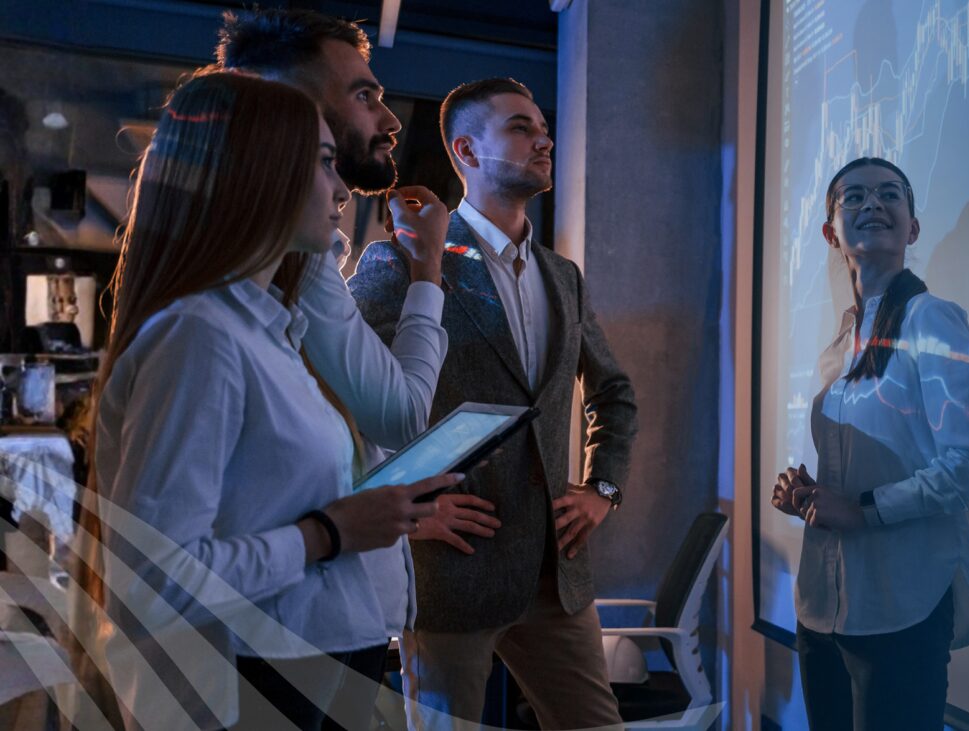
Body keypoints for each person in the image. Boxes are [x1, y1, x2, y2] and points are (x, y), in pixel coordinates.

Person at [75, 73, 454, 731]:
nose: (340, 189)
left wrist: (365, 514)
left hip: (304, 672)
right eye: (324, 162)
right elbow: (154, 581)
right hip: (251, 688)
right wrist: (330, 532)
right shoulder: (201, 335)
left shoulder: (268, 330)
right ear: (256, 168)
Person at [349, 77, 638, 730]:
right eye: (519, 127)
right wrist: (398, 506)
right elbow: (329, 398)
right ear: (467, 152)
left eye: (543, 127)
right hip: (452, 575)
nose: (544, 138)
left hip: (553, 576)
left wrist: (603, 487)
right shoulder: (403, 261)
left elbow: (613, 392)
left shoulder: (563, 276)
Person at [214, 6, 452, 648]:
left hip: (331, 625)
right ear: (293, 108)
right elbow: (400, 417)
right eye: (365, 94)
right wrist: (427, 267)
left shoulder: (291, 269)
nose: (392, 119)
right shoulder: (260, 287)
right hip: (290, 639)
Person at [770, 157, 969, 730]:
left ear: (913, 228)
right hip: (820, 609)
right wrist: (808, 495)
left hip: (900, 609)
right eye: (853, 197)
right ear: (831, 233)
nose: (872, 204)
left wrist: (863, 510)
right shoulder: (840, 344)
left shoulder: (934, 321)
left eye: (889, 195)